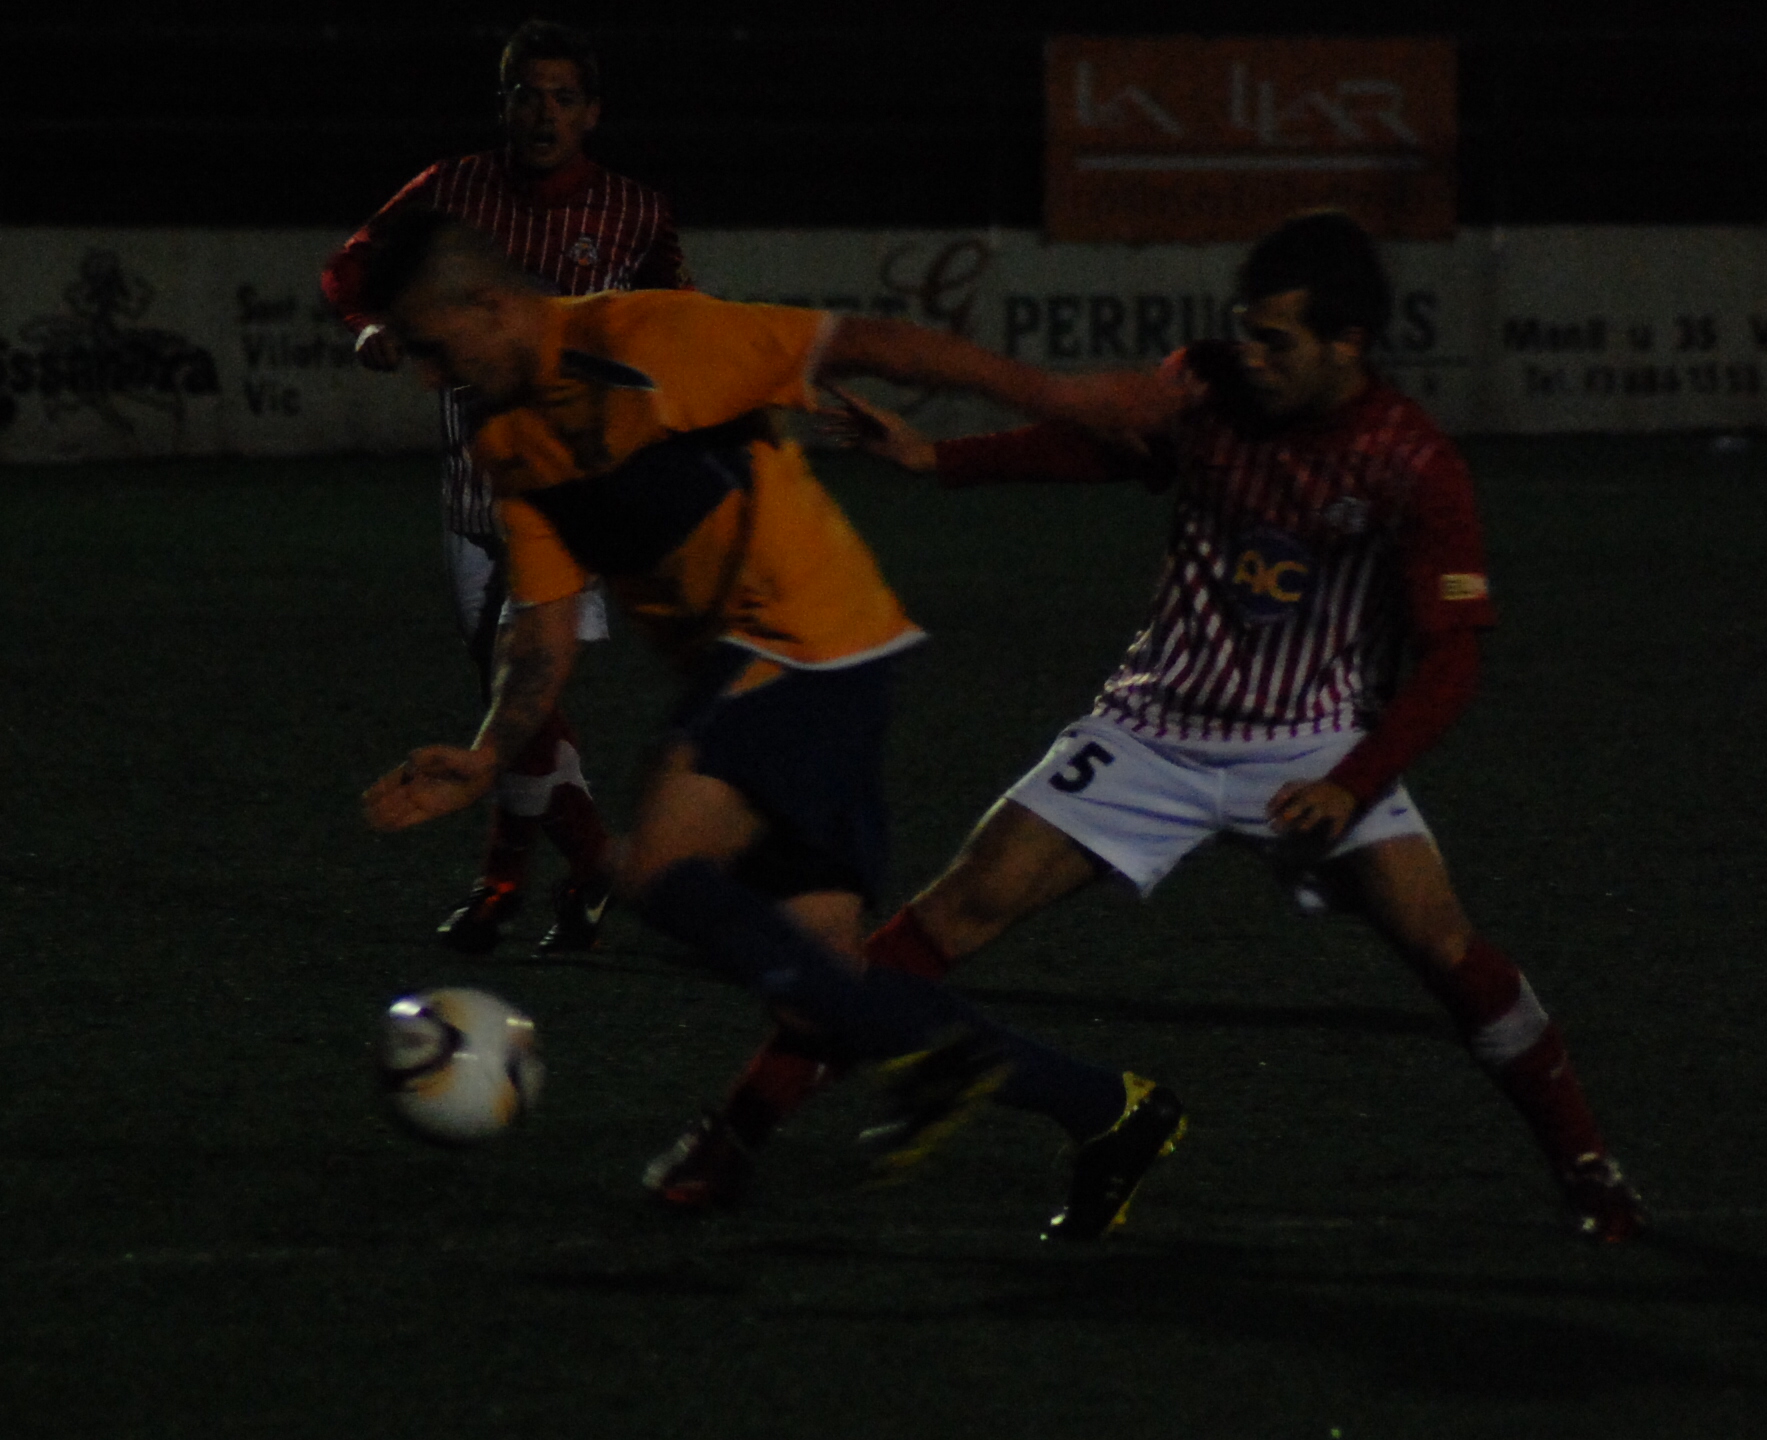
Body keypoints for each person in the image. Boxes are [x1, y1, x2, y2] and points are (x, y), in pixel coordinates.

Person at [653, 211, 1646, 1243]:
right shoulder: (1208, 388)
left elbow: (1455, 658)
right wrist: (942, 462)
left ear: (1348, 345)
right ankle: (731, 1137)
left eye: (1278, 341)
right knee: (947, 916)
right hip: (1152, 728)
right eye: (1246, 332)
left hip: (1313, 750)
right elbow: (1102, 448)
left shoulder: (1412, 463)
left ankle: (1585, 1164)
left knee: (1446, 948)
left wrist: (1356, 779)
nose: (1250, 356)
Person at [354, 208, 1194, 1239]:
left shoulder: (646, 338)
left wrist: (1069, 397)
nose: (430, 379)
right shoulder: (505, 436)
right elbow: (543, 625)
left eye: (434, 349)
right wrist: (490, 753)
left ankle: (945, 1063)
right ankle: (1105, 1110)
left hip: (804, 638)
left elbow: (867, 341)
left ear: (490, 304)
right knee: (823, 990)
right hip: (801, 662)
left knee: (656, 866)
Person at [323, 18, 688, 956]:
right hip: (470, 498)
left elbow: (675, 323)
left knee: (519, 694)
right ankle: (551, 883)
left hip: (573, 502)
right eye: (528, 93)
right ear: (503, 103)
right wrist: (372, 327)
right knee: (518, 703)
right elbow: (350, 270)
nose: (544, 113)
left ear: (593, 113)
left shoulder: (635, 212)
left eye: (563, 97)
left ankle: (535, 881)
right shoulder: (452, 190)